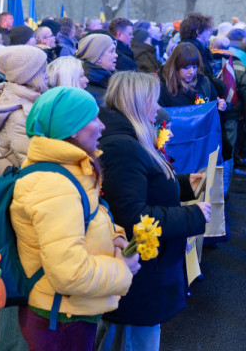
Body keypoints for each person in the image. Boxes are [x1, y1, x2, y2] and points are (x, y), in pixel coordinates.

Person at [10, 86, 139, 350]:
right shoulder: (55, 185)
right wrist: (122, 270)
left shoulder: (69, 168)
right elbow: (69, 273)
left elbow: (90, 216)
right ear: (72, 129)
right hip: (61, 317)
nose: (102, 126)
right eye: (93, 119)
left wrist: (114, 236)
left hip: (68, 309)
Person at [98, 72, 210, 350]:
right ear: (137, 102)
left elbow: (147, 185)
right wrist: (194, 215)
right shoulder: (123, 146)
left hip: (148, 266)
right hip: (142, 270)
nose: (158, 107)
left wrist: (185, 184)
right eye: (153, 100)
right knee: (133, 339)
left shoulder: (131, 137)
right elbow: (134, 217)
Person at [0, 45, 48, 177]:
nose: (48, 75)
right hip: (20, 189)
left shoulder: (22, 100)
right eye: (44, 71)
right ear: (29, 76)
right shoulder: (20, 115)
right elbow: (34, 166)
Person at [158, 43, 227, 113]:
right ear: (175, 66)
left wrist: (220, 107)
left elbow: (214, 112)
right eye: (186, 68)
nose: (192, 72)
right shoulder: (162, 87)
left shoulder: (204, 82)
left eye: (195, 67)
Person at [76, 33, 118, 106]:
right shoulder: (87, 88)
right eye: (111, 51)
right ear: (97, 57)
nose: (116, 55)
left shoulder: (106, 77)